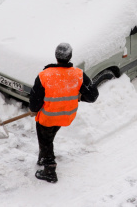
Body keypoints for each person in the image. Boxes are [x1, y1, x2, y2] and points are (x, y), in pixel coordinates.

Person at [29, 43, 99, 183]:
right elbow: (93, 96)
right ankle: (43, 157)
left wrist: (34, 109)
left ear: (56, 56)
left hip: (48, 117)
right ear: (70, 57)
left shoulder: (44, 76)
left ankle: (49, 170)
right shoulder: (78, 74)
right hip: (66, 115)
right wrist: (79, 97)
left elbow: (34, 103)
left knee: (45, 139)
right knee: (48, 139)